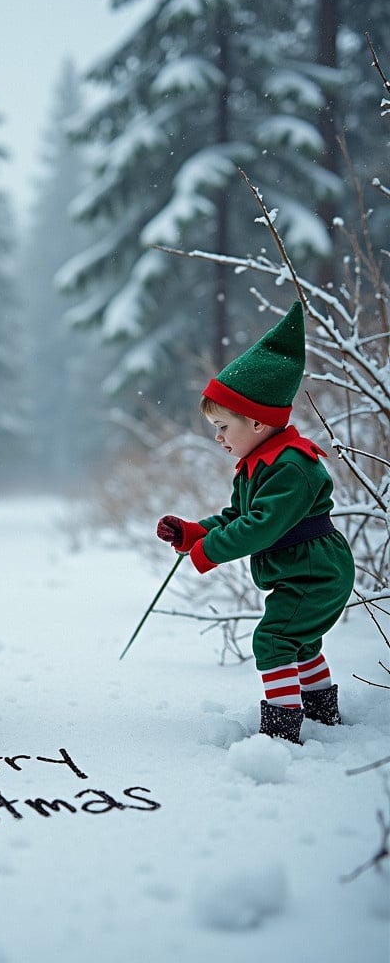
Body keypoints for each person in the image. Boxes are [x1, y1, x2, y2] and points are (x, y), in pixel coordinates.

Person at [156, 300, 355, 744]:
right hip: (302, 571)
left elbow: (262, 526)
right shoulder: (258, 464)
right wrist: (194, 533)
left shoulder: (292, 467)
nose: (219, 437)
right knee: (299, 642)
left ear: (259, 422)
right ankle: (323, 716)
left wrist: (210, 552)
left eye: (224, 426)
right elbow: (238, 516)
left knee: (273, 641)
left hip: (316, 572)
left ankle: (281, 731)